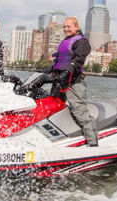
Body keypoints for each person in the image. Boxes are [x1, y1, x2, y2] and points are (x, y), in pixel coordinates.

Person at [17, 16, 98, 146]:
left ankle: (93, 144)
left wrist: (67, 71)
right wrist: (48, 72)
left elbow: (79, 59)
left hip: (73, 81)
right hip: (58, 80)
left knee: (79, 110)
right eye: (64, 27)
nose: (66, 29)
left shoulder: (82, 41)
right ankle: (54, 138)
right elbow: (58, 60)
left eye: (69, 26)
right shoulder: (65, 41)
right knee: (53, 107)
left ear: (76, 27)